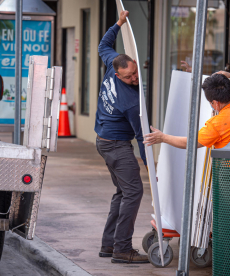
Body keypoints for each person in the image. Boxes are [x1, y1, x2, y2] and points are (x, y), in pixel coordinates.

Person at [95, 10, 149, 264]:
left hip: (105, 142)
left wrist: (118, 23)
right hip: (116, 146)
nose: (134, 79)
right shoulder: (130, 102)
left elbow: (103, 45)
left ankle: (109, 245)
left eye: (136, 74)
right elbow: (142, 136)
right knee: (133, 192)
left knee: (122, 193)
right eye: (128, 77)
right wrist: (150, 165)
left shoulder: (112, 60)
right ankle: (122, 249)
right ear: (117, 74)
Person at [144, 72, 230, 149]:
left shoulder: (216, 124)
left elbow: (190, 143)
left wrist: (163, 138)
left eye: (210, 102)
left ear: (215, 103)